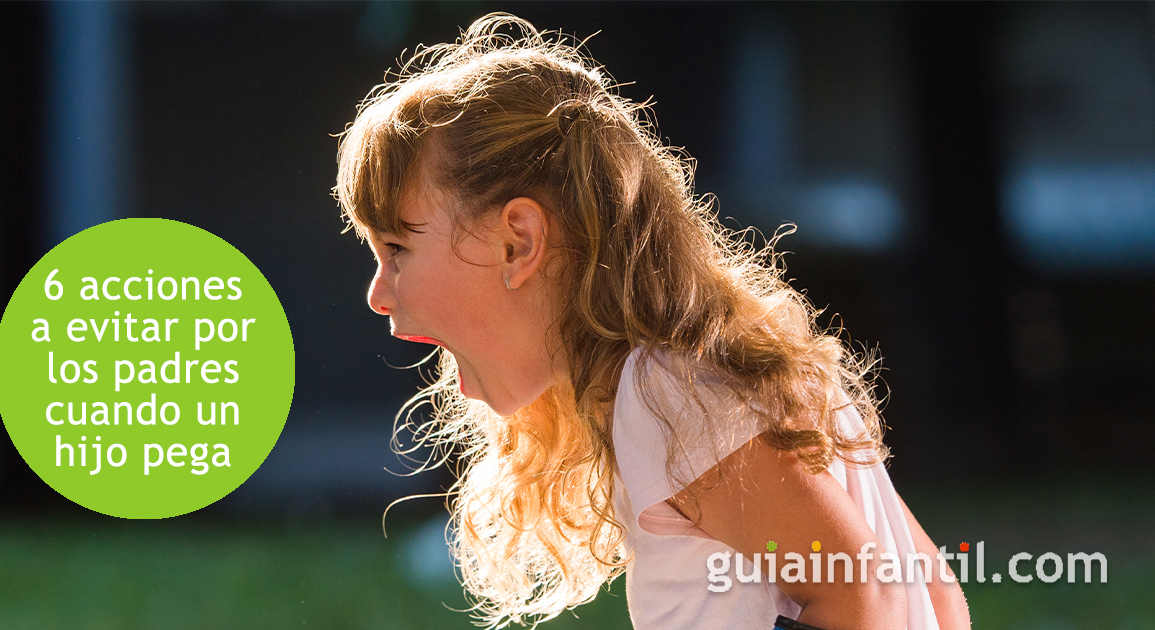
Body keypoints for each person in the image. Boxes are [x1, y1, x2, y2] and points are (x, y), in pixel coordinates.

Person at [334, 13, 971, 630]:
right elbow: (934, 597)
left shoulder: (668, 391)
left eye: (397, 249)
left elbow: (866, 595)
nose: (377, 294)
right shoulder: (694, 377)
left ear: (518, 243)